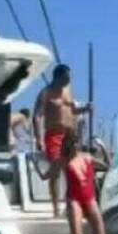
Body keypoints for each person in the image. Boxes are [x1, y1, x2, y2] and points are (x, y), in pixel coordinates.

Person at [33, 64, 92, 216]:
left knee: (71, 171)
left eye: (70, 78)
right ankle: (55, 208)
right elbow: (37, 116)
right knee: (55, 172)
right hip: (54, 135)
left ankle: (70, 205)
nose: (69, 80)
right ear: (57, 77)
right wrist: (38, 138)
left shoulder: (68, 91)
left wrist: (86, 108)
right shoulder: (46, 93)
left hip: (70, 136)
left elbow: (73, 110)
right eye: (66, 78)